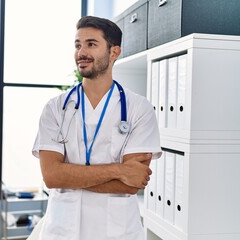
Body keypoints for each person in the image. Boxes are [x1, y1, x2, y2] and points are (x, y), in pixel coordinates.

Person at [32, 15, 162, 240]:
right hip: (63, 231)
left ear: (114, 52)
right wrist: (119, 170)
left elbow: (132, 185)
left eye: (91, 44)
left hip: (116, 232)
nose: (81, 52)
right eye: (77, 45)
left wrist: (72, 176)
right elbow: (52, 176)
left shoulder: (139, 109)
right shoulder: (55, 109)